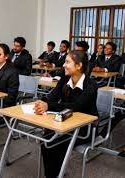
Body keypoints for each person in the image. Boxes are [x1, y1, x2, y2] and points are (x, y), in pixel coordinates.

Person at [34, 50, 98, 178]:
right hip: (64, 123)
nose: (63, 65)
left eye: (67, 62)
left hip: (83, 129)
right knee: (46, 141)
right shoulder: (65, 78)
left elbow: (76, 106)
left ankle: (56, 174)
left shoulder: (91, 85)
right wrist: (43, 102)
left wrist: (48, 106)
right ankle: (53, 175)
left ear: (79, 66)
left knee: (54, 144)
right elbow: (53, 95)